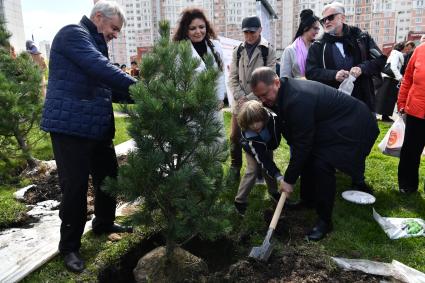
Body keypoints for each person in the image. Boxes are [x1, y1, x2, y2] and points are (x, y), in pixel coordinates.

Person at [40, 0, 136, 273]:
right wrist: (144, 88)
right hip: (71, 128)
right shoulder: (73, 34)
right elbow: (102, 70)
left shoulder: (95, 41)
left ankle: (103, 223)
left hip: (96, 128)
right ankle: (69, 247)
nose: (115, 34)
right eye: (114, 28)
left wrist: (145, 97)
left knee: (108, 178)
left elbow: (108, 86)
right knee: (76, 188)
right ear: (98, 17)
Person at [250, 67, 379, 240]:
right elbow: (296, 138)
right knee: (309, 157)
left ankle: (325, 221)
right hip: (334, 122)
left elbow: (303, 144)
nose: (263, 100)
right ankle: (308, 200)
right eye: (259, 97)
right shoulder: (283, 94)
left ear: (276, 82)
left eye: (265, 95)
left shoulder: (297, 99)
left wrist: (289, 180)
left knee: (322, 164)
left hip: (354, 125)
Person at [306, 1, 386, 112]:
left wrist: (361, 68)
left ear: (342, 18)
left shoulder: (362, 38)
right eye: (323, 20)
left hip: (363, 101)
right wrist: (334, 75)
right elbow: (311, 72)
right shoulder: (318, 45)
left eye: (330, 17)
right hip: (333, 104)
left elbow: (380, 60)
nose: (326, 22)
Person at [228, 16, 276, 182]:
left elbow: (270, 77)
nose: (249, 36)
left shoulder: (268, 50)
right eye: (246, 32)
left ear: (260, 30)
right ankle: (235, 166)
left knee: (262, 136)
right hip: (239, 103)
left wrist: (249, 98)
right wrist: (240, 96)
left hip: (260, 102)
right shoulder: (237, 50)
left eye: (252, 32)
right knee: (235, 136)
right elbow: (232, 77)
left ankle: (264, 170)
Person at [172, 7, 226, 143]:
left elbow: (220, 75)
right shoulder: (180, 50)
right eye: (193, 28)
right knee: (194, 149)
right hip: (191, 108)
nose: (198, 31)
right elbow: (178, 81)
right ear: (185, 30)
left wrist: (220, 98)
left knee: (215, 147)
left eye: (201, 27)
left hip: (213, 106)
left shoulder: (216, 46)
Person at [234, 100, 282, 215]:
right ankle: (240, 201)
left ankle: (273, 192)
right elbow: (262, 158)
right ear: (246, 123)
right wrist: (278, 175)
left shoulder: (272, 119)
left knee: (268, 166)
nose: (255, 126)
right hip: (253, 149)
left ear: (263, 117)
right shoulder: (249, 136)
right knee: (253, 170)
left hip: (266, 145)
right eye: (251, 124)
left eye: (257, 121)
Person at [397, 43, 425, 194]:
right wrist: (401, 102)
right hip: (416, 111)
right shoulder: (420, 50)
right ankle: (407, 186)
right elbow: (407, 78)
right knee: (411, 152)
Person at [280, 9, 320, 79]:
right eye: (315, 28)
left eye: (318, 29)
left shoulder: (318, 48)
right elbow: (284, 78)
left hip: (316, 88)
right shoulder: (290, 50)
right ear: (305, 27)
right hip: (297, 89)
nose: (317, 32)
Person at [375, 42, 405, 122]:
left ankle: (382, 115)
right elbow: (393, 67)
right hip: (390, 78)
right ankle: (384, 116)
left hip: (389, 78)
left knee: (384, 98)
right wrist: (400, 77)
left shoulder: (394, 53)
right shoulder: (396, 54)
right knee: (387, 98)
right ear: (402, 48)